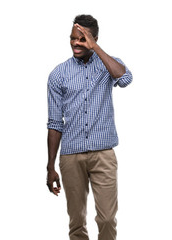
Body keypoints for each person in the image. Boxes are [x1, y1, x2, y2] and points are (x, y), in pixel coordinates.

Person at [46, 14, 132, 240]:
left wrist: (96, 48)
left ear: (94, 39)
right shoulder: (58, 74)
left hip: (103, 154)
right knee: (76, 222)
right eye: (73, 38)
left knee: (106, 219)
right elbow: (55, 123)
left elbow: (125, 79)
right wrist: (50, 166)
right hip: (71, 156)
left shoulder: (107, 65)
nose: (76, 43)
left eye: (82, 39)